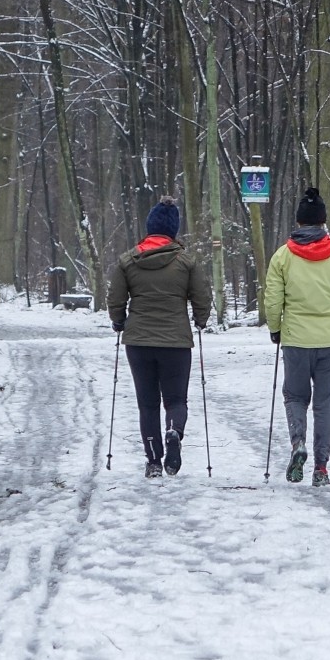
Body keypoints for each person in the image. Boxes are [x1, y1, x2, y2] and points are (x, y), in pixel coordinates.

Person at [262, 187, 330, 487]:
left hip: (296, 339)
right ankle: (321, 468)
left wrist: (275, 328)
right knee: (325, 403)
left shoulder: (283, 256)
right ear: (322, 223)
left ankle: (298, 445)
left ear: (298, 223)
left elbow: (272, 299)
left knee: (294, 396)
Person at [108, 197, 211, 478]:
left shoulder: (128, 261)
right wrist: (200, 320)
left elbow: (115, 299)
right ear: (174, 231)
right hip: (176, 342)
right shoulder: (186, 262)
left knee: (147, 402)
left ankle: (154, 461)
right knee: (176, 399)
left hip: (138, 342)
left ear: (149, 228)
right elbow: (202, 297)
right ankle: (174, 431)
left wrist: (119, 322)